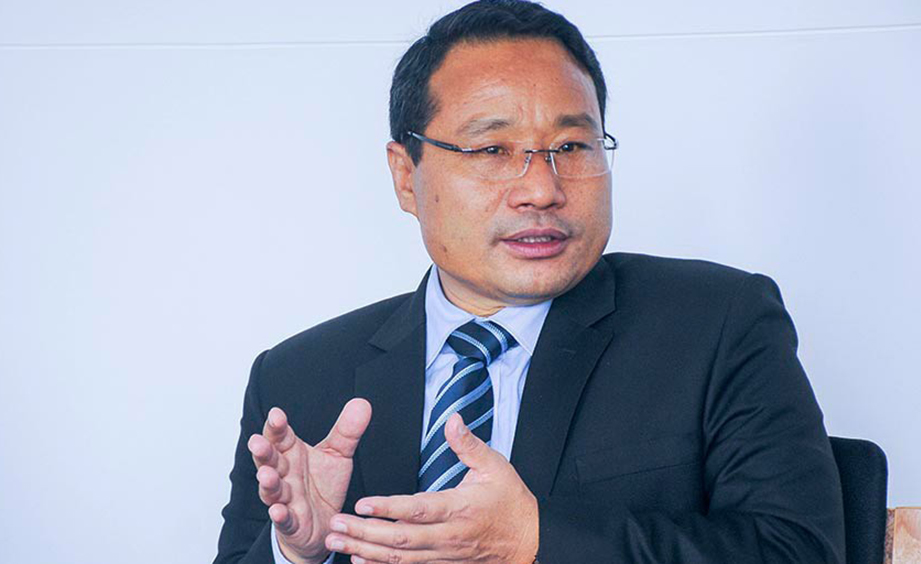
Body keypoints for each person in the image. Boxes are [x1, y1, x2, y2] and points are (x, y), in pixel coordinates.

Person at [214, 1, 846, 562]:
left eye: (571, 147)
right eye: (493, 151)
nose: (542, 190)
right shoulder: (299, 377)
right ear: (406, 177)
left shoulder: (717, 324)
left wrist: (536, 541)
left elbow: (799, 551)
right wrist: (297, 555)